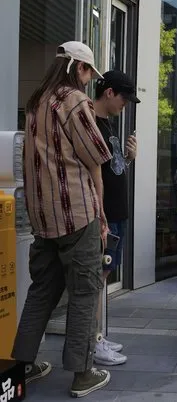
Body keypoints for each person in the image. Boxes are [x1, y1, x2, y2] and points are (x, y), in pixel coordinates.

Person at [13, 41, 113, 398]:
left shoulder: (36, 102)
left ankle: (24, 364)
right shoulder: (74, 101)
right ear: (78, 68)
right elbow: (95, 158)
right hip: (76, 214)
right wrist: (100, 213)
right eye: (88, 72)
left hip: (43, 219)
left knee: (41, 291)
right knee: (85, 292)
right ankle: (82, 374)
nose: (89, 81)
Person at [93, 70, 141, 366]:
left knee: (104, 277)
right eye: (124, 97)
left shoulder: (107, 124)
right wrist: (100, 217)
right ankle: (94, 341)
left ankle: (98, 336)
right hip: (105, 217)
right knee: (98, 278)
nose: (126, 104)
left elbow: (114, 169)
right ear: (109, 92)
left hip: (115, 215)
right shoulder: (91, 123)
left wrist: (129, 157)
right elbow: (92, 174)